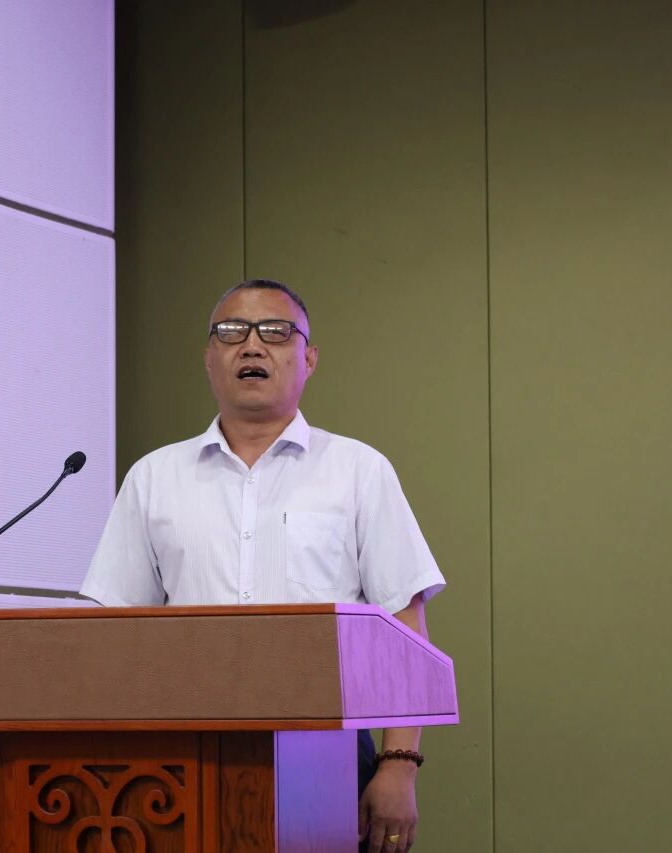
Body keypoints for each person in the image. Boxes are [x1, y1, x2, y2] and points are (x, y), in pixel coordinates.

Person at [80, 279, 446, 853]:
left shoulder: (358, 470)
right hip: (180, 751)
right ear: (209, 358)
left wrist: (399, 764)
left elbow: (403, 627)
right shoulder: (154, 477)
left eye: (276, 332)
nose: (252, 345)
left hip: (328, 746)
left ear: (309, 359)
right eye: (231, 332)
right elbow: (114, 630)